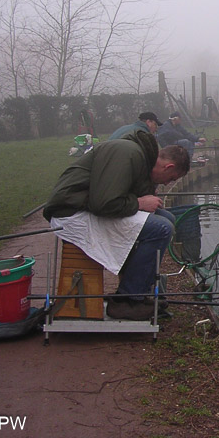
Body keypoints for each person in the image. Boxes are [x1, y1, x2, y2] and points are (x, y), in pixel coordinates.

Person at [43, 131, 190, 320]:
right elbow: (104, 203)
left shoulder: (141, 160)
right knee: (161, 228)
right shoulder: (127, 153)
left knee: (167, 218)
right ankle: (126, 300)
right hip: (71, 211)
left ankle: (138, 291)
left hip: (88, 207)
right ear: (168, 166)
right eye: (171, 179)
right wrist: (139, 203)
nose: (167, 183)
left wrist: (146, 196)